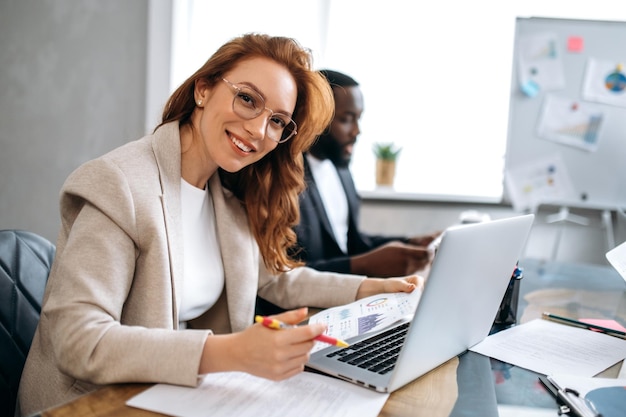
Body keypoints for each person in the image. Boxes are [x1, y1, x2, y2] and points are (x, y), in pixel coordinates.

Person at [16, 34, 420, 416]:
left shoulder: (224, 193)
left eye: (278, 121)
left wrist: (375, 289)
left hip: (174, 395)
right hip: (94, 406)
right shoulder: (120, 184)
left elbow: (273, 281)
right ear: (203, 89)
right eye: (247, 99)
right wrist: (234, 353)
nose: (259, 130)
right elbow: (79, 339)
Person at [292, 69, 439, 278]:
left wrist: (410, 242)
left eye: (358, 118)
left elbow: (351, 242)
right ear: (314, 117)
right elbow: (284, 277)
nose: (356, 131)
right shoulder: (287, 179)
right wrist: (361, 266)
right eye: (346, 119)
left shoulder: (341, 171)